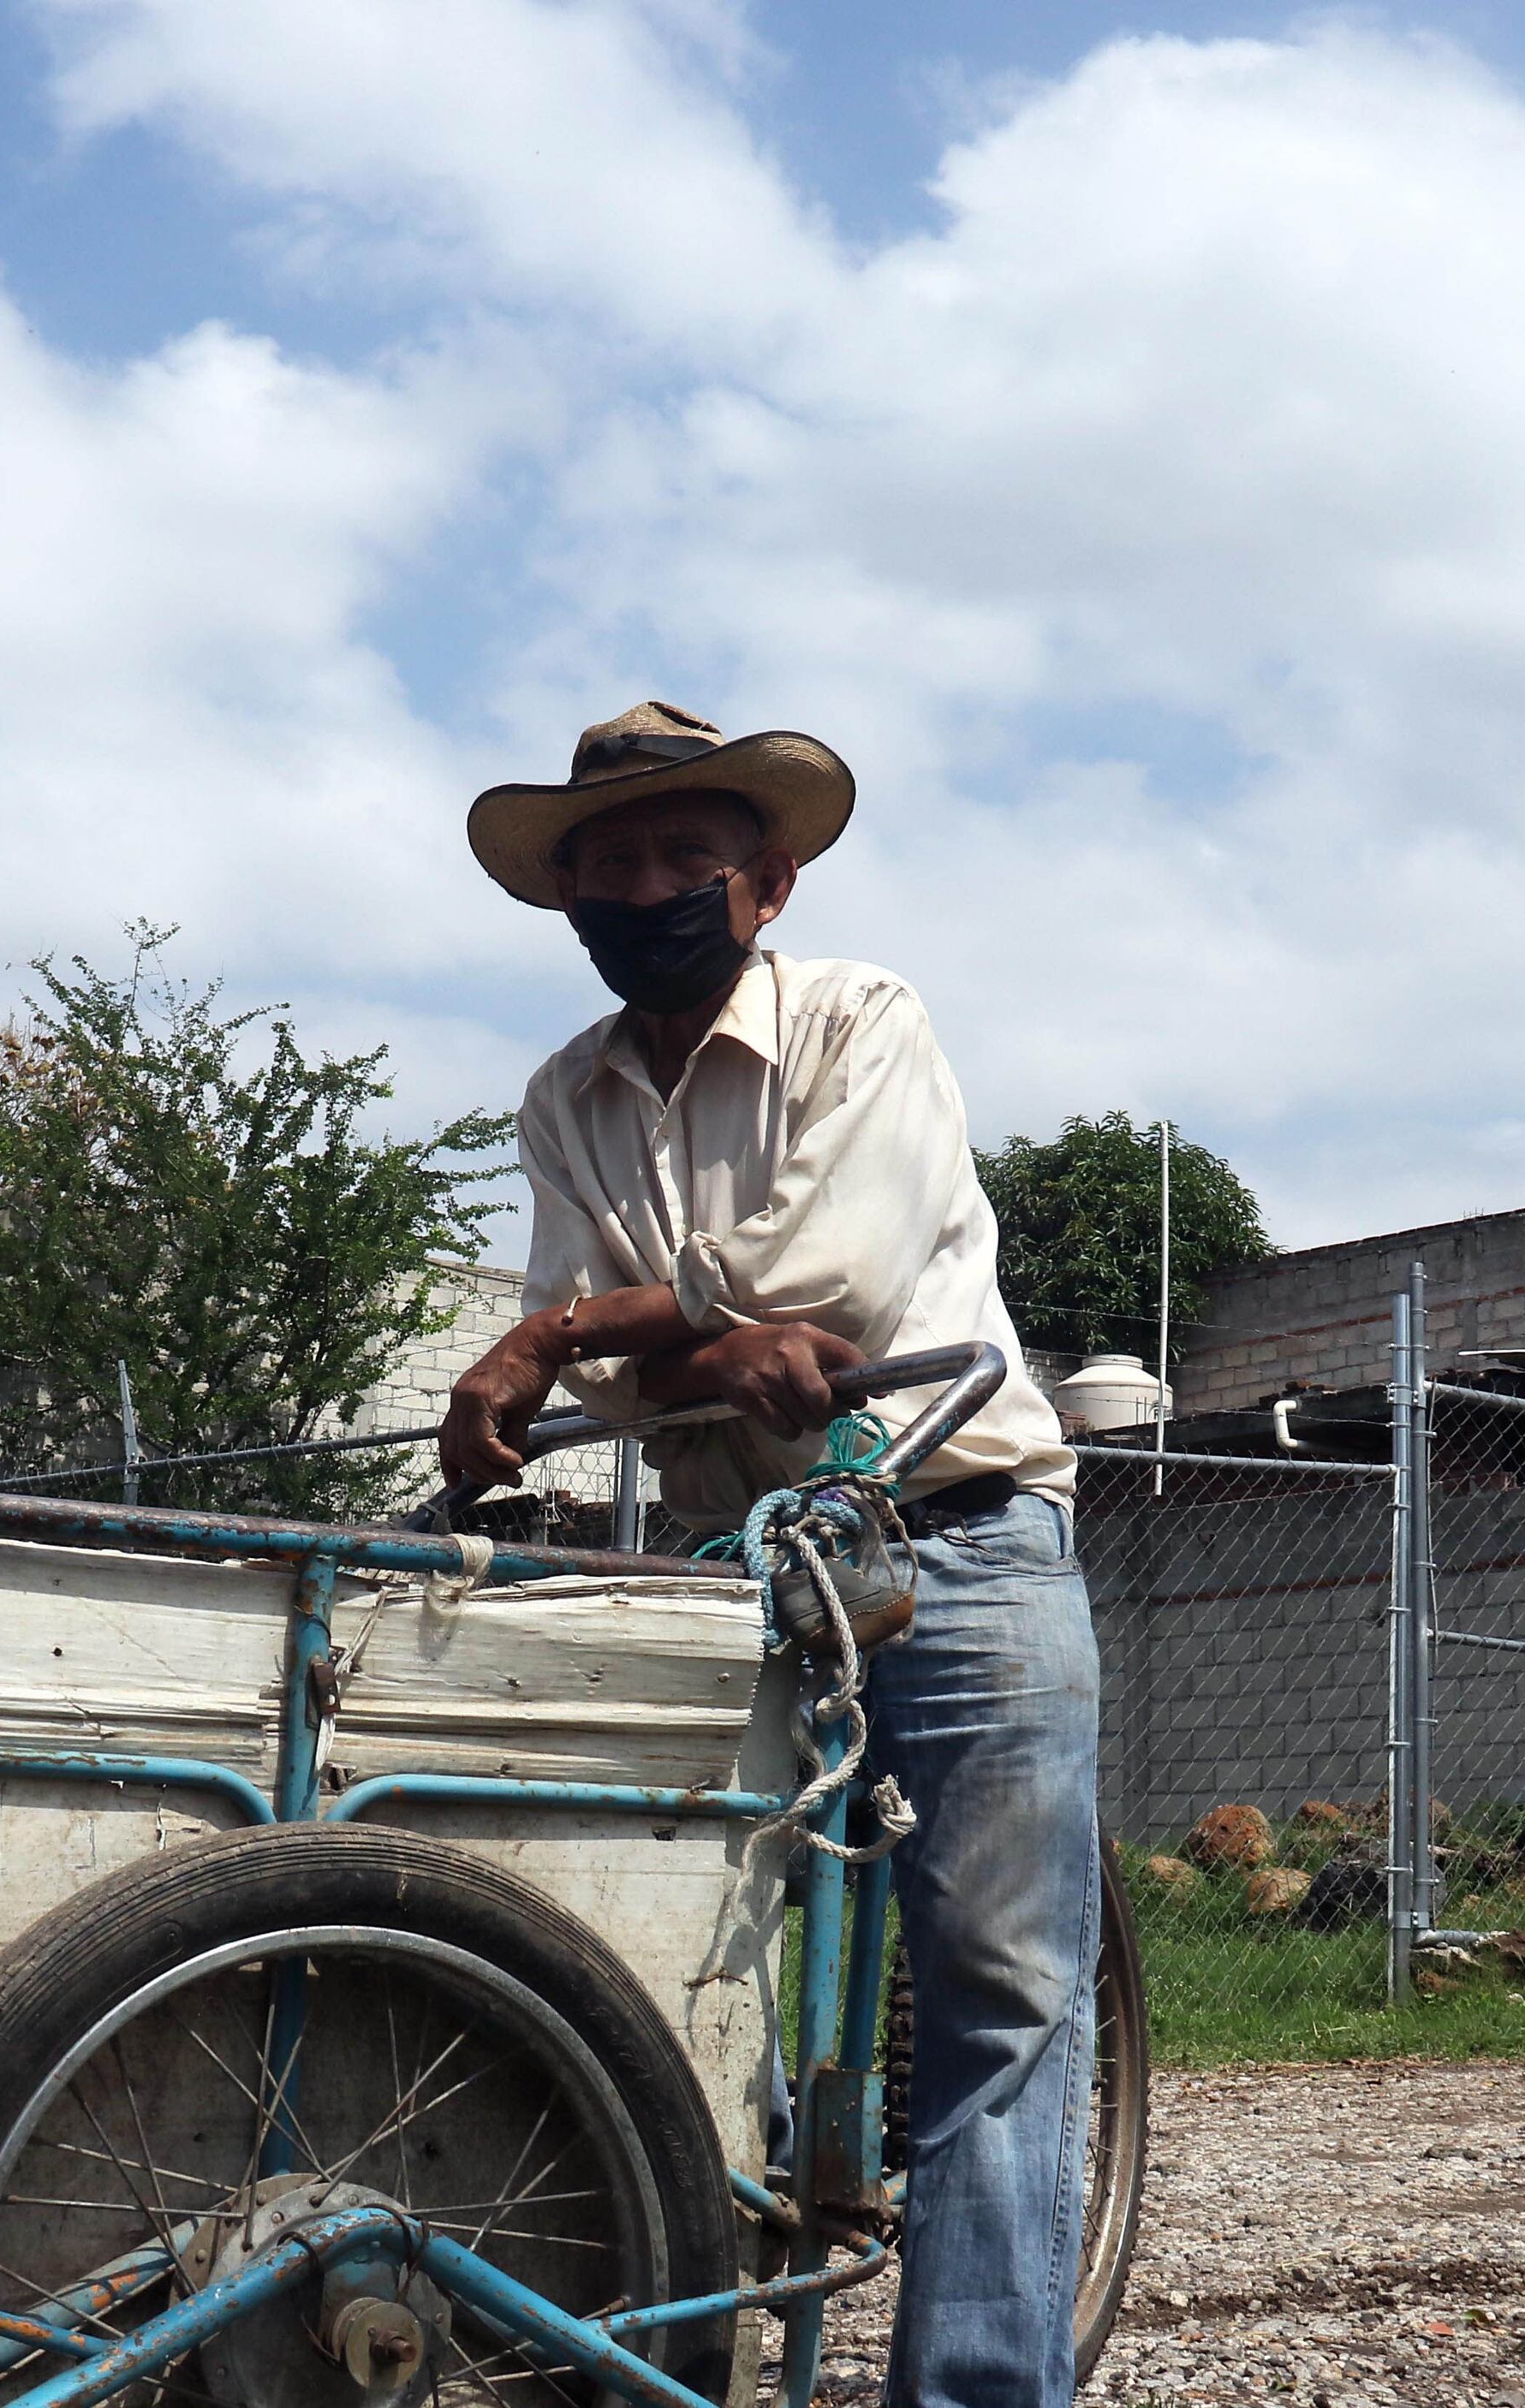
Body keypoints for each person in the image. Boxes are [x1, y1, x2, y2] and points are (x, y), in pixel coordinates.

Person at [438, 700, 1100, 2408]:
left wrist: (576, 1337)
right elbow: (657, 1360)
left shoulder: (862, 1019)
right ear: (564, 896)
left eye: (685, 856)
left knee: (999, 2002)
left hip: (957, 1536)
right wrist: (643, 1342)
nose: (644, 886)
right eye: (610, 863)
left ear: (768, 881)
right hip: (742, 1565)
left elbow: (839, 1289)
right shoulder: (564, 1096)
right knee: (674, 1951)